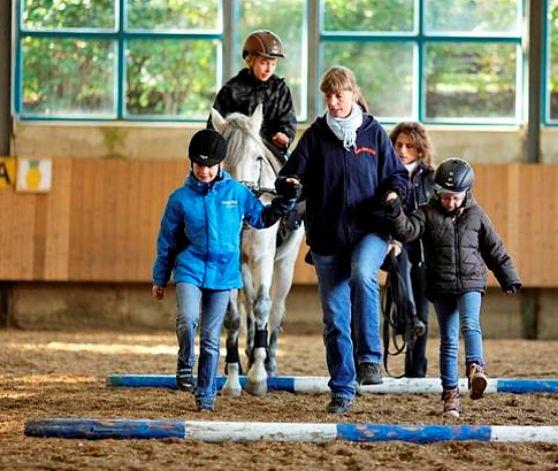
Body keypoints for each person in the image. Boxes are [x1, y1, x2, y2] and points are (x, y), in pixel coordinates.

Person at [276, 65, 408, 415]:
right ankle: (342, 389)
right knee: (335, 318)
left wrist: (394, 193)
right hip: (328, 237)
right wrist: (289, 185)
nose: (333, 102)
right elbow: (290, 175)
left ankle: (369, 359)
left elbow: (397, 174)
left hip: (370, 230)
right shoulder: (316, 136)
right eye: (328, 96)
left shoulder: (373, 133)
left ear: (352, 93)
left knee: (364, 274)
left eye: (339, 95)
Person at [152, 128, 300, 412]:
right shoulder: (179, 199)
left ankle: (205, 396)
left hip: (223, 274)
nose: (204, 171)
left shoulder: (237, 193)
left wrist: (286, 201)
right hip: (190, 268)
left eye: (210, 166)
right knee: (186, 319)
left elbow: (262, 218)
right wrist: (160, 277)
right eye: (199, 165)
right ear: (191, 163)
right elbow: (167, 241)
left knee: (210, 337)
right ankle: (185, 362)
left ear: (220, 164)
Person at [383, 157, 521, 418]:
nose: (450, 202)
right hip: (441, 284)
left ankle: (476, 368)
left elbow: (494, 248)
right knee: (448, 340)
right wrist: (394, 211)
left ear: (466, 193)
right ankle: (450, 396)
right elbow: (407, 231)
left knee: (470, 324)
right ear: (438, 192)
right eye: (445, 197)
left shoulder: (477, 215)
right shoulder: (426, 212)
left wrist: (508, 277)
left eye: (455, 197)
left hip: (471, 281)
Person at [388, 122, 437, 378]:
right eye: (399, 145)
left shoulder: (432, 178)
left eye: (409, 146)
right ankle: (406, 319)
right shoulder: (384, 175)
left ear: (419, 149)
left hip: (424, 247)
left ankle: (416, 369)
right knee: (403, 293)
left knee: (423, 308)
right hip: (395, 245)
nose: (403, 150)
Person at [206, 30, 296, 159]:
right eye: (263, 63)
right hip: (236, 148)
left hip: (270, 147)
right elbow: (214, 123)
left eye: (273, 64)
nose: (268, 69)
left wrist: (284, 135)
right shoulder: (231, 89)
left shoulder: (280, 89)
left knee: (292, 172)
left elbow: (288, 120)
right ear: (250, 61)